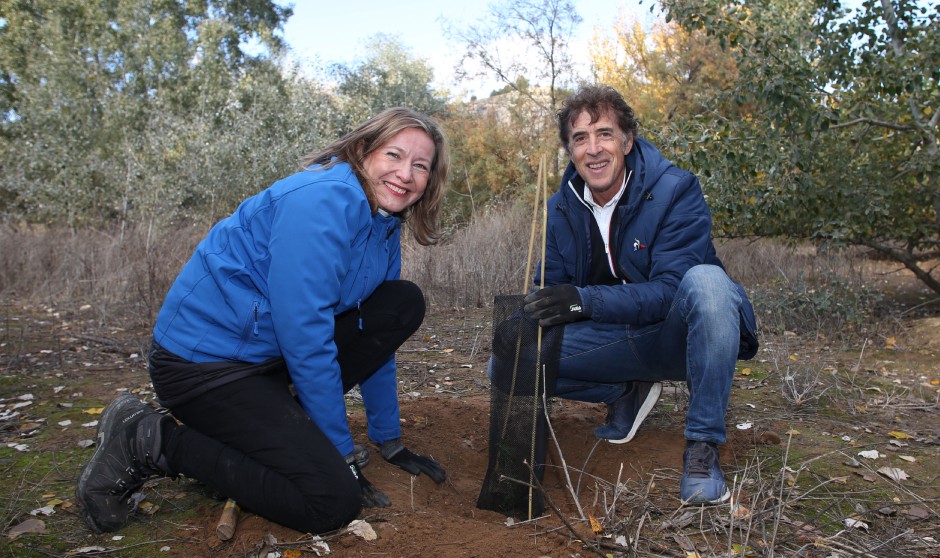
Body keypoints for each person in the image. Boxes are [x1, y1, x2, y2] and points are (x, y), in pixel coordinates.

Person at [75, 107, 450, 534]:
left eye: (420, 165)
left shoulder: (382, 223)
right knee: (331, 502)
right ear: (362, 151)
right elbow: (305, 333)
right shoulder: (324, 200)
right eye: (394, 156)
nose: (405, 174)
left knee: (401, 302)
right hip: (203, 370)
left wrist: (389, 438)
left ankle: (272, 428)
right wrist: (342, 456)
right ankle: (148, 439)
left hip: (265, 360)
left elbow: (374, 338)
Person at [518, 85, 758, 504]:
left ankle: (702, 447)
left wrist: (582, 300)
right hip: (615, 338)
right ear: (569, 151)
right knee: (508, 361)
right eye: (580, 138)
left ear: (627, 141)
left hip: (676, 340)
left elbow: (669, 292)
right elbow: (554, 285)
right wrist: (540, 303)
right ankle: (626, 390)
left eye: (605, 134)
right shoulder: (561, 206)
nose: (593, 149)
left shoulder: (676, 190)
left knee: (708, 282)